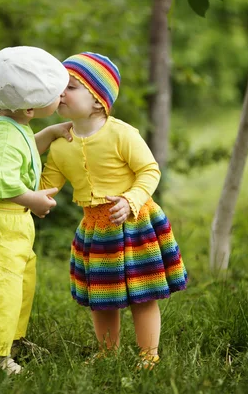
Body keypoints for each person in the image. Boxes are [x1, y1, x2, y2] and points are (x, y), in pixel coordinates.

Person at [40, 52, 187, 369]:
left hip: (135, 223)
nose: (61, 92)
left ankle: (149, 354)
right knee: (102, 296)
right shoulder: (60, 143)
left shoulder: (122, 134)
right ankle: (108, 351)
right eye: (59, 86)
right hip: (95, 229)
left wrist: (130, 199)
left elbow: (149, 171)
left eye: (72, 86)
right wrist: (35, 198)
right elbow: (47, 183)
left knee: (143, 294)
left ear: (97, 100)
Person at [0, 46, 71, 376]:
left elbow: (23, 151)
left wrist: (49, 133)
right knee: (1, 289)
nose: (63, 96)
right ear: (28, 108)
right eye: (56, 95)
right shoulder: (2, 139)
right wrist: (32, 199)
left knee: (19, 283)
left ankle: (9, 340)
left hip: (9, 223)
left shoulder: (11, 124)